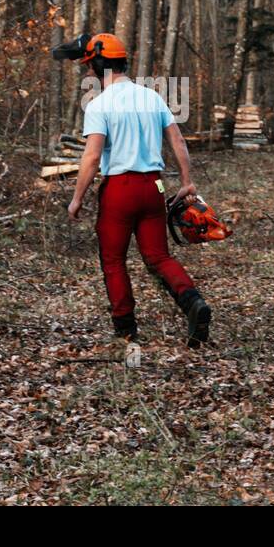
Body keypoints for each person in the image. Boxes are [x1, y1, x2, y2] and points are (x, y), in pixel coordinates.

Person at [64, 33, 211, 347]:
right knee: (159, 256)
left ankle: (126, 329)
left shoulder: (99, 105)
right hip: (154, 185)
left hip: (120, 189)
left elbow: (92, 157)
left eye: (90, 66)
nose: (88, 71)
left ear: (98, 66)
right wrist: (187, 181)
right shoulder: (151, 98)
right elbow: (178, 140)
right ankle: (193, 302)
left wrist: (76, 198)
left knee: (113, 260)